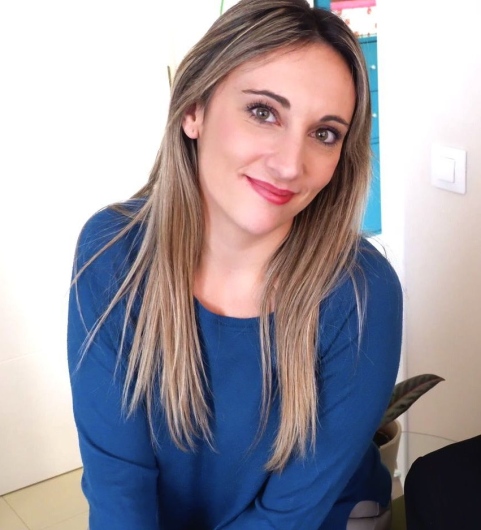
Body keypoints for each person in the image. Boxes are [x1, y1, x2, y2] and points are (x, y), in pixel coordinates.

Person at [67, 0, 403, 528]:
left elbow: (289, 515)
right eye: (264, 112)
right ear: (193, 110)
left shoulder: (362, 292)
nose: (290, 164)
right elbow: (117, 485)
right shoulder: (114, 254)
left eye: (324, 133)